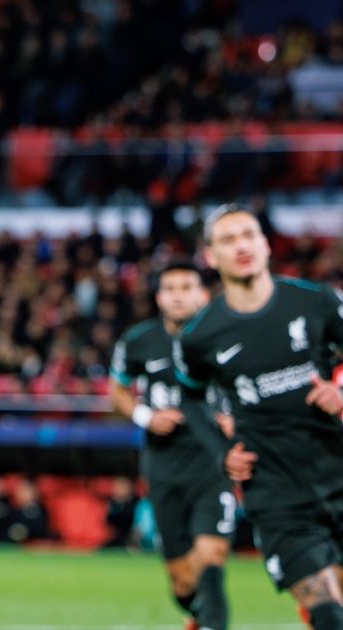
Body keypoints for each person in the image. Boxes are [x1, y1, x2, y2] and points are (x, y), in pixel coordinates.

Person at [175, 205, 343, 629]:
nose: (241, 246)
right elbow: (191, 399)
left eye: (249, 235)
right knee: (330, 616)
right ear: (210, 256)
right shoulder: (200, 336)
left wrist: (341, 389)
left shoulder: (316, 301)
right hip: (277, 494)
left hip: (337, 469)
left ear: (266, 244)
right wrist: (222, 452)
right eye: (228, 240)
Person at [110, 258, 233, 630]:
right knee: (182, 582)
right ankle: (196, 615)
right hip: (163, 466)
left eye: (186, 288)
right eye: (170, 289)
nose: (178, 296)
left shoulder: (223, 334)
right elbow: (117, 389)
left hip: (212, 462)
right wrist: (146, 416)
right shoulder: (138, 340)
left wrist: (233, 418)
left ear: (203, 295)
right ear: (159, 298)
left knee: (211, 555)